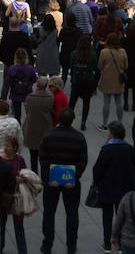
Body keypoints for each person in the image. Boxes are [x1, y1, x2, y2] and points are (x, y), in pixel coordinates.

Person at [39, 107, 88, 254]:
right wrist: (73, 176)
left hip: (52, 181)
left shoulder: (48, 136)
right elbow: (82, 161)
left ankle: (47, 244)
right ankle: (71, 245)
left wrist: (49, 177)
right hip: (70, 182)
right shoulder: (79, 137)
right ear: (72, 120)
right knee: (72, 213)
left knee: (49, 212)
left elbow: (43, 159)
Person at [91, 121, 135, 253]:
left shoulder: (107, 149)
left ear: (112, 134)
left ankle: (107, 243)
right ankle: (121, 244)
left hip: (108, 189)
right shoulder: (129, 149)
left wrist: (97, 182)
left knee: (107, 216)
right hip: (125, 189)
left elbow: (97, 169)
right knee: (123, 217)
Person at [22, 75, 56, 176]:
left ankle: (34, 175)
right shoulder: (50, 97)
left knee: (33, 155)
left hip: (32, 129)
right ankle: (44, 175)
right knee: (44, 156)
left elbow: (27, 111)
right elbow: (52, 111)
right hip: (45, 129)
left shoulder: (30, 97)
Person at [98, 30, 128, 129]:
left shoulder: (104, 52)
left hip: (107, 78)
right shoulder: (122, 51)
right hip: (119, 78)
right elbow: (126, 66)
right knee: (119, 101)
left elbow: (99, 66)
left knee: (106, 102)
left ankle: (105, 123)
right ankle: (120, 122)